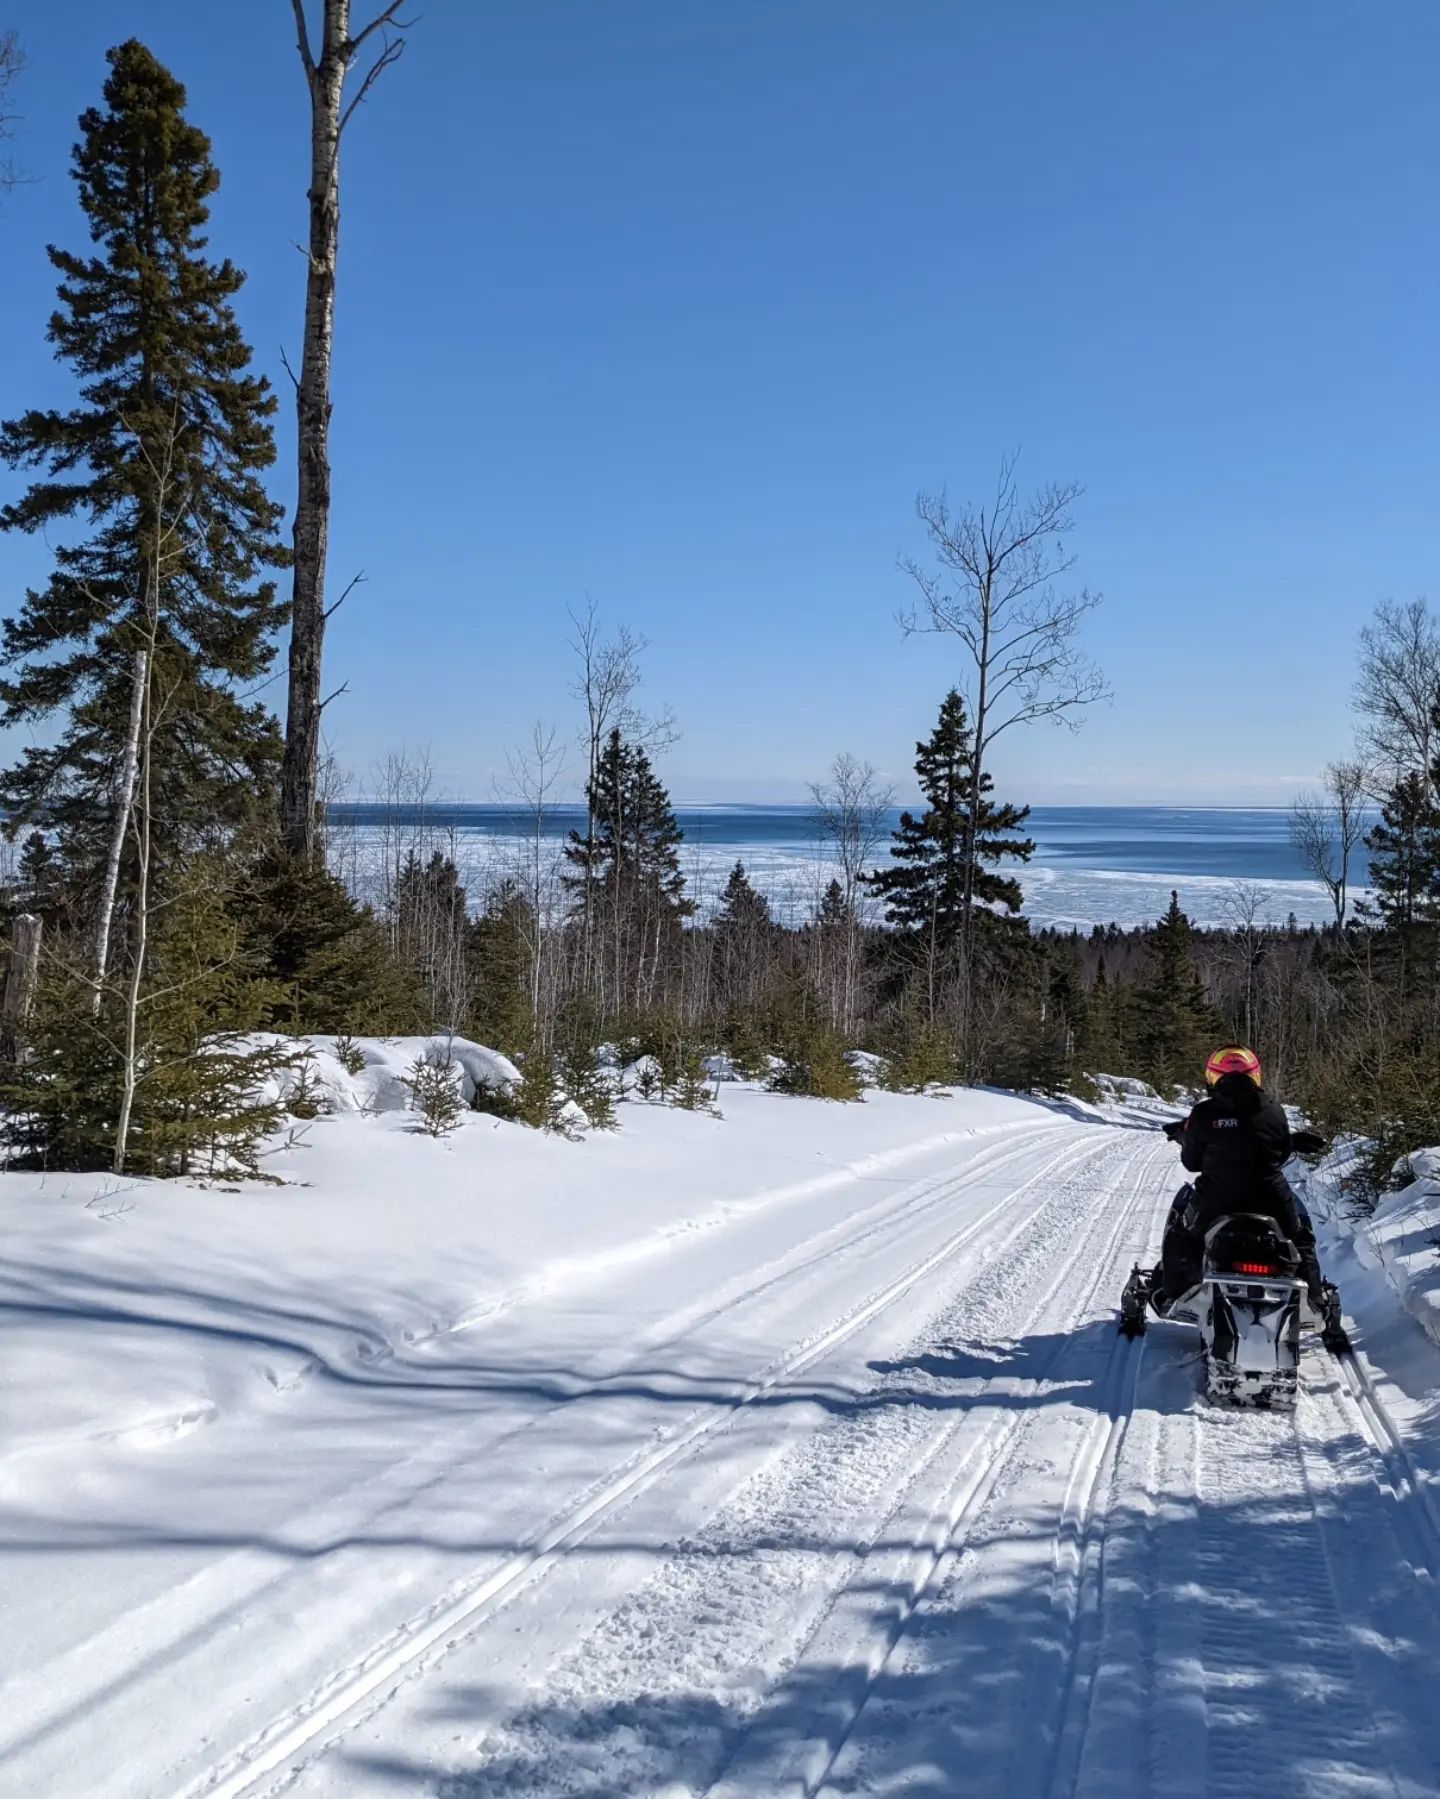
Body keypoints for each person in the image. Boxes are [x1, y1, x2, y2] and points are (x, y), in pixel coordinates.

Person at [1153, 1046, 1324, 1312]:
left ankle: (1174, 1293)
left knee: (1183, 1234)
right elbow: (1279, 1155)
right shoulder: (1274, 1111)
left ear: (1214, 1077)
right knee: (1300, 1237)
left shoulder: (1203, 1113)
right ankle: (1314, 1299)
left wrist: (1193, 1139)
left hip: (1217, 1198)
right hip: (1269, 1197)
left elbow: (1191, 1162)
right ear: (1254, 1075)